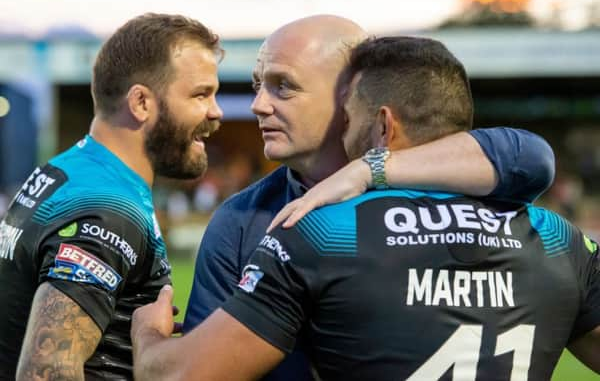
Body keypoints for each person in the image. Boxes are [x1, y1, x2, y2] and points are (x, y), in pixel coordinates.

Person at [132, 35, 600, 381]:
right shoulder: (558, 239)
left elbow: (181, 376)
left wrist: (148, 338)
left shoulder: (318, 234)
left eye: (350, 116)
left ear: (382, 126)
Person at [0, 13, 223, 380]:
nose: (215, 112)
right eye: (200, 94)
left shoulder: (69, 169)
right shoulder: (107, 209)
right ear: (141, 103)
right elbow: (46, 371)